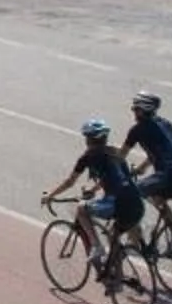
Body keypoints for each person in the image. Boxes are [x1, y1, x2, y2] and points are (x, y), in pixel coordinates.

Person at [48, 118, 146, 281]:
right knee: (115, 237)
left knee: (81, 209)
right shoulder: (116, 153)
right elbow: (115, 176)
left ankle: (96, 246)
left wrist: (50, 195)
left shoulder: (87, 157)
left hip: (117, 203)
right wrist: (93, 190)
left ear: (88, 139)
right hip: (136, 202)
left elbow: (70, 182)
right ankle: (118, 280)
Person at [120, 90, 172, 255]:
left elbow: (120, 157)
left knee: (130, 194)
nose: (132, 111)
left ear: (142, 109)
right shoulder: (167, 124)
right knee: (158, 198)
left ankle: (134, 240)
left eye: (135, 108)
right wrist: (143, 167)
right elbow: (164, 151)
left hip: (169, 175)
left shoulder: (137, 130)